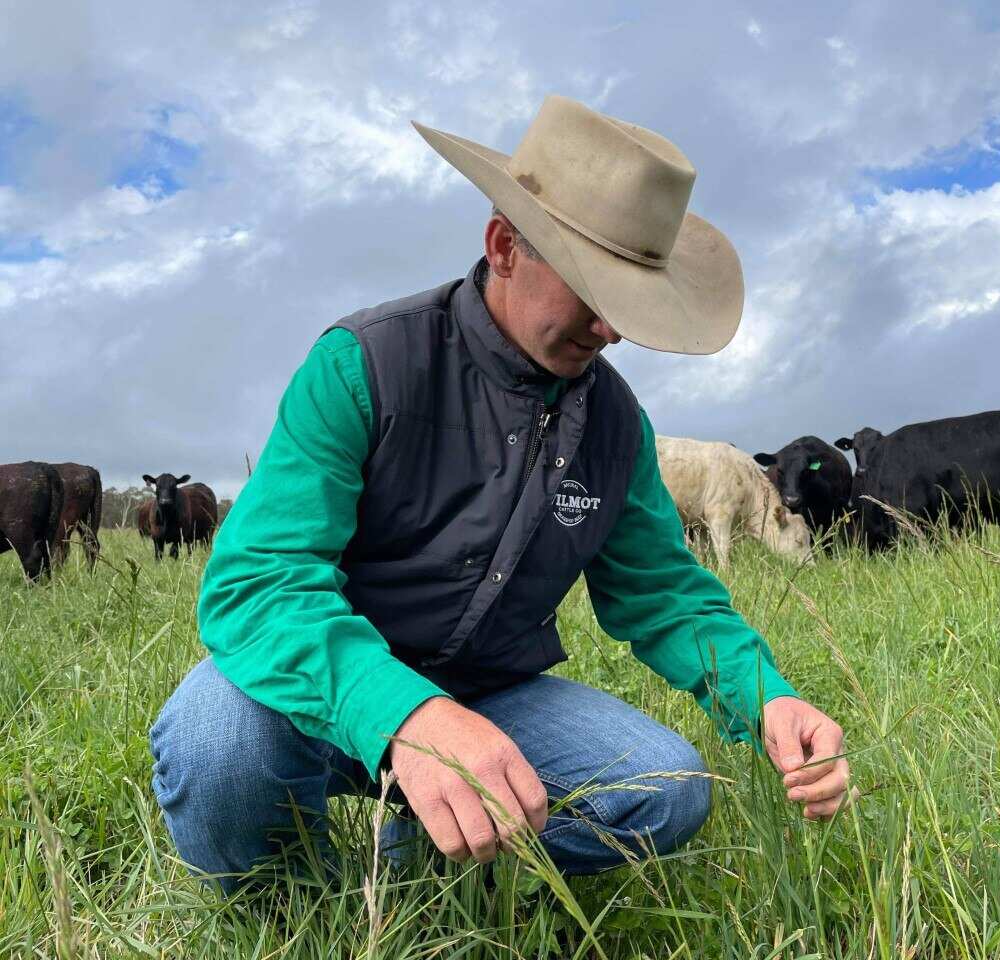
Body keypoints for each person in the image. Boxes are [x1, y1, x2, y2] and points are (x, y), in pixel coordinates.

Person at [149, 94, 851, 893]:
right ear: (503, 246)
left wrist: (768, 700)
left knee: (665, 791)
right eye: (592, 289)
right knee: (217, 743)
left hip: (490, 696)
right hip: (320, 686)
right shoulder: (364, 366)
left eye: (629, 304)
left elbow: (666, 596)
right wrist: (409, 715)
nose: (611, 331)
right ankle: (296, 914)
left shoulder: (617, 425)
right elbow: (260, 585)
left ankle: (427, 883)